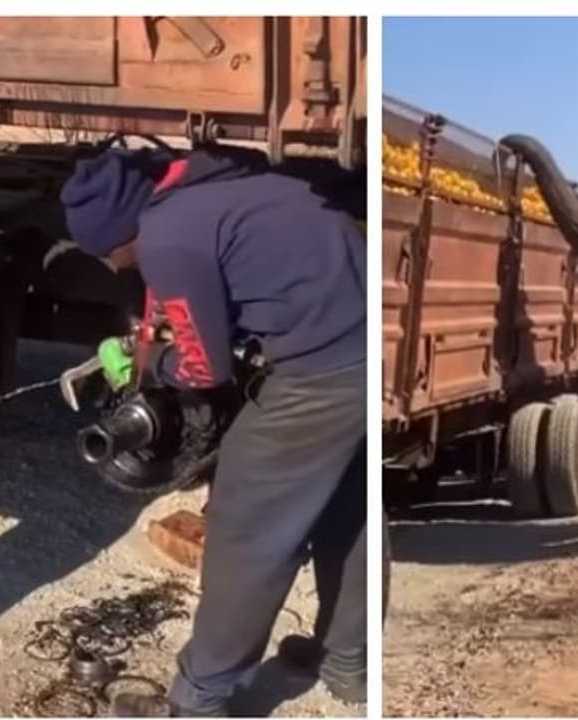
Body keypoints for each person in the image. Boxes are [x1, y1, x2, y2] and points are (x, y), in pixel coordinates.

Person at [60, 144, 367, 716]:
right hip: (362, 345)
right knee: (346, 511)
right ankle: (350, 658)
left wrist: (148, 366)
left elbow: (206, 369)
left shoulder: (168, 238)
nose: (113, 266)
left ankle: (201, 696)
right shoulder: (218, 186)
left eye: (107, 254)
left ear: (120, 231)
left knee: (246, 523)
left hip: (319, 372)